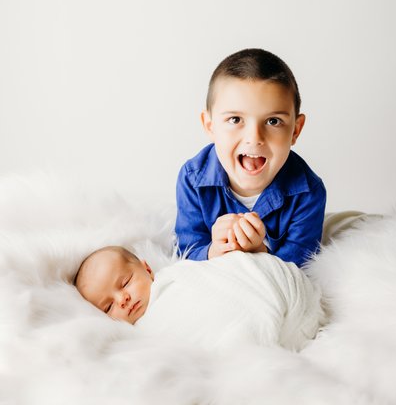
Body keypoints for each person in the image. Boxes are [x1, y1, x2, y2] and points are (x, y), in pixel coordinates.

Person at [175, 48, 326, 267]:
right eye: (235, 120)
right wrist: (213, 251)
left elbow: (301, 268)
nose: (254, 138)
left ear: (295, 130)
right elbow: (184, 251)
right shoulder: (192, 180)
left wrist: (260, 252)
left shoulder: (308, 193)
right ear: (210, 126)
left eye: (273, 121)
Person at [74, 245, 325, 352]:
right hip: (256, 343)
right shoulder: (141, 336)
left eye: (125, 282)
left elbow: (224, 275)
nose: (123, 299)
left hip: (285, 297)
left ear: (147, 269)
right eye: (108, 306)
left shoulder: (178, 276)